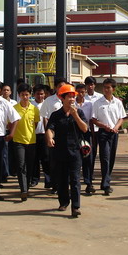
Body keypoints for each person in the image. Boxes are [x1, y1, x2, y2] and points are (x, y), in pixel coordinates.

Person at [46, 84, 89, 218]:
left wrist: (75, 115)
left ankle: (75, 207)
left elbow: (85, 129)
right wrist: (50, 138)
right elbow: (50, 128)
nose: (72, 99)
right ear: (62, 98)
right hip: (60, 151)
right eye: (69, 97)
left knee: (75, 180)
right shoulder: (56, 115)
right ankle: (64, 202)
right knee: (62, 179)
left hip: (75, 151)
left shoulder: (79, 112)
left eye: (73, 97)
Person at [91, 78, 126, 196]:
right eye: (104, 87)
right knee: (105, 157)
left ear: (113, 89)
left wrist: (116, 127)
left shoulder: (118, 103)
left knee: (111, 157)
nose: (106, 90)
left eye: (108, 88)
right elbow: (94, 119)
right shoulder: (98, 103)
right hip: (103, 133)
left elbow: (121, 118)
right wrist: (103, 126)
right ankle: (106, 184)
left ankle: (105, 180)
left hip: (114, 133)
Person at [12, 83, 40, 201]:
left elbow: (35, 124)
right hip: (18, 141)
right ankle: (23, 189)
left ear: (30, 95)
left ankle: (26, 187)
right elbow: (10, 124)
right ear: (19, 95)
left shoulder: (34, 109)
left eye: (27, 95)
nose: (25, 97)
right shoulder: (14, 109)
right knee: (20, 165)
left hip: (31, 141)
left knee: (29, 165)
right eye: (22, 95)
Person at [75, 84, 95, 194]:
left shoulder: (89, 104)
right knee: (76, 159)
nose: (80, 94)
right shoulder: (72, 104)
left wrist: (92, 135)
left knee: (88, 158)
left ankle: (89, 183)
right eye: (78, 92)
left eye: (82, 92)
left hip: (86, 133)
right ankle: (75, 183)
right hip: (75, 133)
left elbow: (91, 120)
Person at [84, 76, 103, 187]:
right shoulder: (83, 97)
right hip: (88, 129)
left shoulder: (100, 97)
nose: (90, 86)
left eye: (92, 84)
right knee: (90, 153)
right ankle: (89, 175)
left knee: (100, 153)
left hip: (98, 128)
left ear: (94, 85)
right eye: (88, 84)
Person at [30, 84, 51, 188]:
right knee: (34, 159)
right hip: (33, 135)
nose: (40, 96)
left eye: (42, 94)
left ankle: (48, 180)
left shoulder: (47, 104)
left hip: (45, 134)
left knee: (46, 158)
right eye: (38, 94)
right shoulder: (30, 105)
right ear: (34, 94)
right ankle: (34, 179)